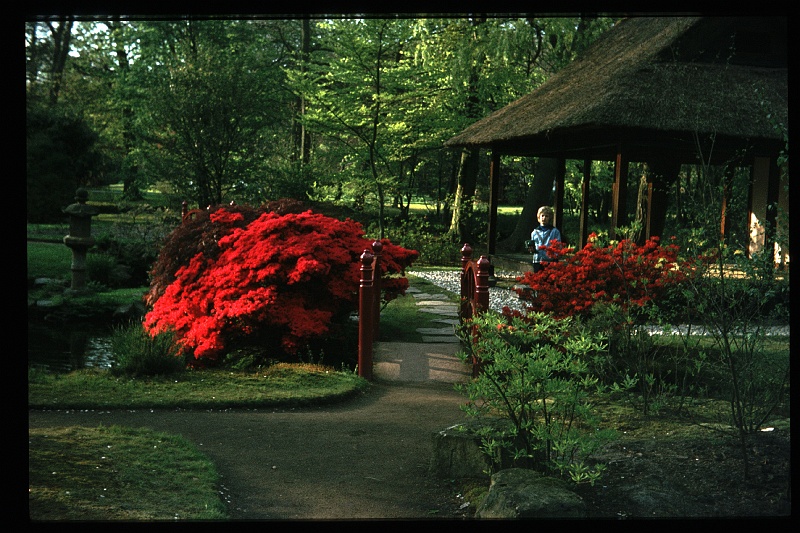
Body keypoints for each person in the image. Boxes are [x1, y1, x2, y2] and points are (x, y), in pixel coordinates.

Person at [527, 206, 562, 273]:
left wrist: (555, 258)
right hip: (537, 260)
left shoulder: (555, 231)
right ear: (539, 218)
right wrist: (532, 249)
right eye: (542, 216)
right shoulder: (534, 232)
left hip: (550, 261)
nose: (544, 218)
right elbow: (533, 247)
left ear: (550, 218)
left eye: (546, 216)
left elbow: (558, 247)